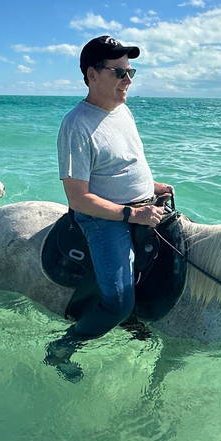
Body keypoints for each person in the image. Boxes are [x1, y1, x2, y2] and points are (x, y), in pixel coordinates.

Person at [46, 35, 174, 381]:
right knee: (117, 300)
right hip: (104, 218)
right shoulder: (76, 125)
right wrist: (132, 214)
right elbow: (78, 198)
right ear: (92, 75)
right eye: (119, 72)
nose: (128, 80)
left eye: (131, 71)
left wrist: (152, 187)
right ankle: (63, 347)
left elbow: (122, 165)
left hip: (144, 204)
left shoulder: (123, 110)